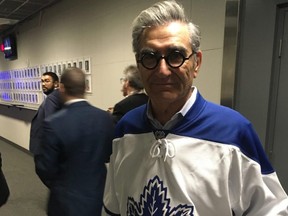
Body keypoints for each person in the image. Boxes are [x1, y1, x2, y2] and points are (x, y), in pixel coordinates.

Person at [103, 1, 288, 215]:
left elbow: (272, 210)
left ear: (196, 63)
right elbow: (112, 206)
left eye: (175, 56)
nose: (162, 71)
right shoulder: (126, 130)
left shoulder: (233, 132)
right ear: (139, 64)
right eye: (149, 57)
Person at [34, 67, 114, 216]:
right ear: (86, 87)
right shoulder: (104, 118)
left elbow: (45, 168)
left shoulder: (53, 123)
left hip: (64, 201)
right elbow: (108, 153)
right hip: (96, 195)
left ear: (61, 88)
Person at [29, 72, 62, 154]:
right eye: (42, 81)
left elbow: (51, 126)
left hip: (44, 149)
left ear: (56, 84)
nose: (43, 84)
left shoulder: (51, 99)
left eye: (47, 81)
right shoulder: (58, 96)